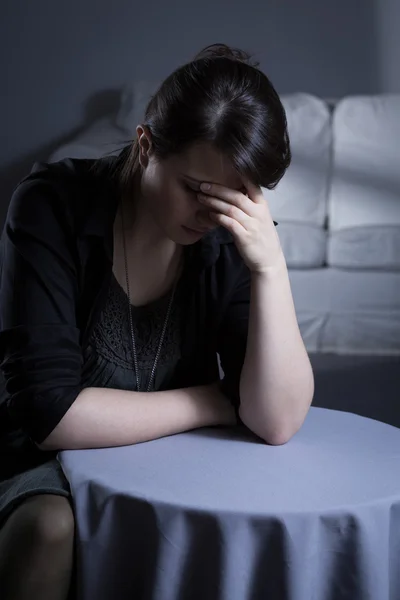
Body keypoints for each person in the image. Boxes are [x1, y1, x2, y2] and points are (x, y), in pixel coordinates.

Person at [0, 43, 314, 599]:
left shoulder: (223, 238)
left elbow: (277, 420)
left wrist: (270, 267)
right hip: (45, 460)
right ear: (145, 146)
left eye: (234, 198)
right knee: (48, 528)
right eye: (196, 190)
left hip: (171, 456)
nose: (211, 214)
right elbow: (49, 412)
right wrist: (212, 401)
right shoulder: (50, 205)